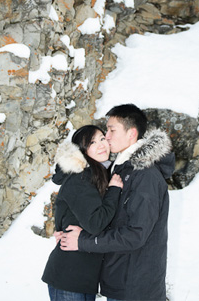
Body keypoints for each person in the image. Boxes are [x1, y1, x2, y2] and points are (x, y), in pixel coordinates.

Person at [59, 104, 174, 301]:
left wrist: (83, 241)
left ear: (132, 134)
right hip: (120, 283)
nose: (107, 136)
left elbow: (136, 234)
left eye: (112, 130)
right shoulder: (119, 169)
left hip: (136, 289)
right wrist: (61, 226)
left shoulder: (145, 176)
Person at [42, 125, 124, 301]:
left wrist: (60, 227)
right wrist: (114, 191)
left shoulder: (99, 174)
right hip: (69, 277)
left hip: (84, 278)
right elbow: (96, 223)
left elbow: (65, 209)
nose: (101, 145)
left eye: (102, 139)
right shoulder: (81, 178)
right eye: (92, 142)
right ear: (82, 150)